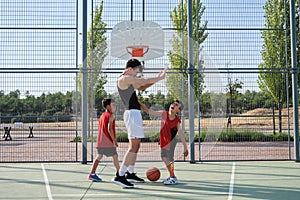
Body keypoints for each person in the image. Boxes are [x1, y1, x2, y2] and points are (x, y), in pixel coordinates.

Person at [113, 58, 167, 188]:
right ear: (130, 68)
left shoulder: (129, 80)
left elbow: (142, 85)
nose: (137, 74)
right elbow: (143, 81)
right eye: (136, 71)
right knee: (133, 146)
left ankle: (130, 173)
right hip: (131, 114)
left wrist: (156, 80)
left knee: (136, 145)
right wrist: (159, 78)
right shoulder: (125, 78)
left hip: (134, 113)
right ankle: (120, 175)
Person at [141, 100, 188, 185]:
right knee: (166, 158)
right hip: (164, 141)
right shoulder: (164, 114)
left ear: (178, 110)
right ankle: (172, 176)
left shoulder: (176, 120)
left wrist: (185, 147)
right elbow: (149, 111)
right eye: (173, 103)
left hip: (171, 141)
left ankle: (173, 177)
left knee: (167, 158)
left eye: (176, 105)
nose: (173, 104)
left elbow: (181, 133)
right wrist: (139, 103)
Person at [88, 98, 119, 182]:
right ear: (108, 106)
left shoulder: (102, 115)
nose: (114, 106)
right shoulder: (110, 115)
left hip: (101, 141)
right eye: (113, 105)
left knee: (100, 156)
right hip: (107, 142)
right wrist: (114, 140)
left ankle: (92, 173)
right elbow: (109, 129)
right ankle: (119, 174)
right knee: (115, 156)